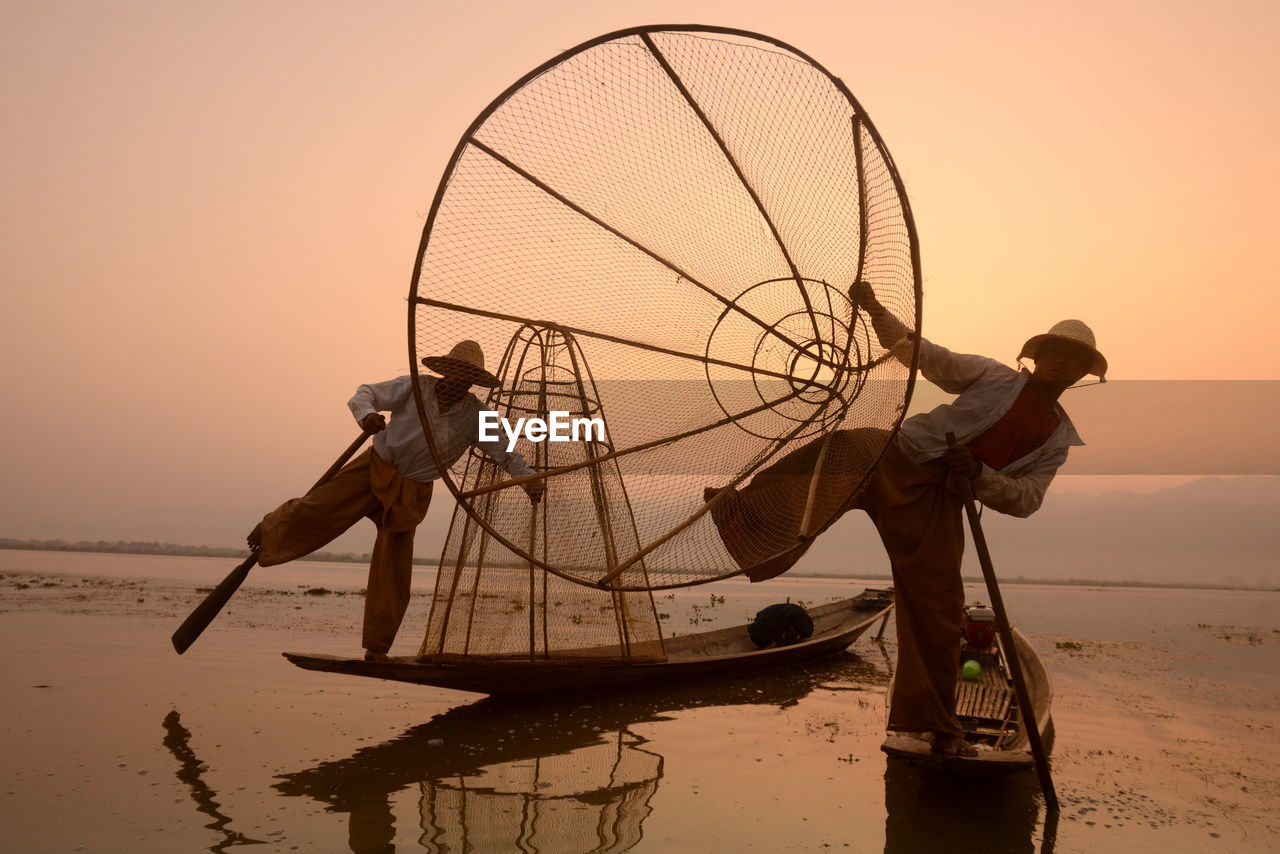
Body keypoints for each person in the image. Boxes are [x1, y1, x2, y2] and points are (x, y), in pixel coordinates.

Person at [707, 282, 1105, 755]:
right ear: (1037, 357)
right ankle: (740, 517)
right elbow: (923, 354)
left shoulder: (1057, 439)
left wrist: (979, 475)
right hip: (891, 454)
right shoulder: (996, 377)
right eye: (1055, 352)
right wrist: (875, 309)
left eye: (1073, 359)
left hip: (938, 496)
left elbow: (1026, 500)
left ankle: (934, 724)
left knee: (938, 608)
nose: (1061, 362)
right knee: (832, 451)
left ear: (1082, 373)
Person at [248, 340, 544, 661]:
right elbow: (365, 393)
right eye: (457, 370)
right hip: (376, 466)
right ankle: (268, 531)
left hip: (412, 491)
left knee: (394, 567)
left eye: (468, 374)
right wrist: (367, 416)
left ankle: (376, 648)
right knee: (318, 508)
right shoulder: (416, 387)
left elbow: (505, 452)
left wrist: (527, 480)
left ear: (474, 379)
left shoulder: (477, 415)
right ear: (446, 370)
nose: (461, 379)